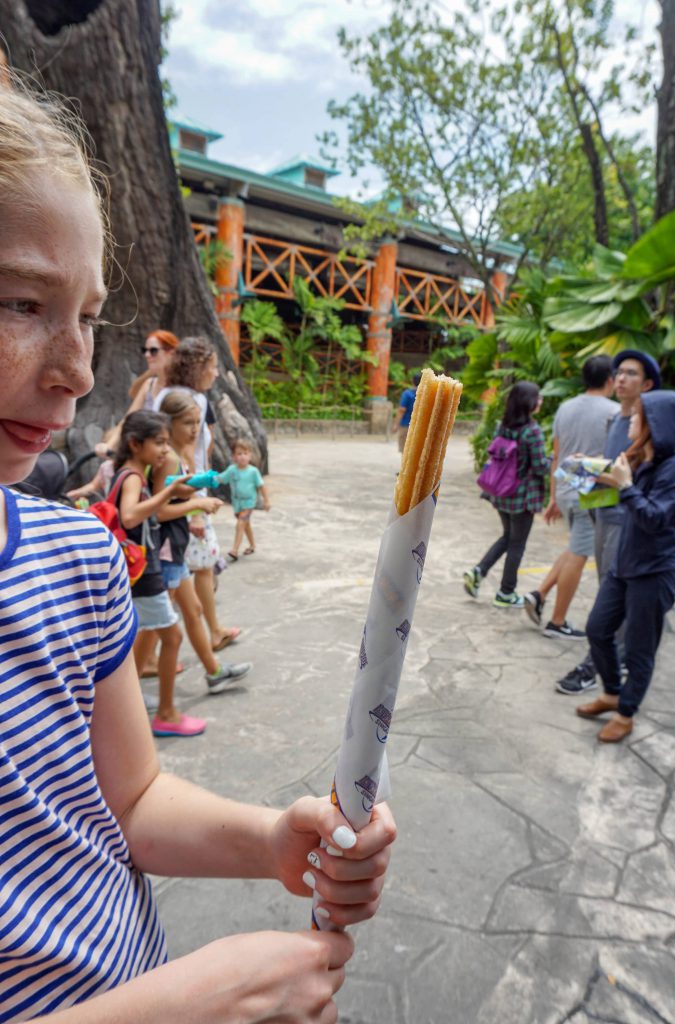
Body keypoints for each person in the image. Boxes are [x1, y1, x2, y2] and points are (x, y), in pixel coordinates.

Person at [0, 73, 394, 1021]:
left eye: (89, 316)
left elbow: (126, 804)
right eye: (20, 304)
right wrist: (189, 1007)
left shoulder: (70, 559)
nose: (77, 372)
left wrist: (270, 839)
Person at [576, 390, 675, 742]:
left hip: (653, 573)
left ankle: (626, 711)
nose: (631, 421)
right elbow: (614, 484)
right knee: (597, 629)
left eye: (638, 416)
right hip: (624, 566)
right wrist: (585, 467)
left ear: (656, 424)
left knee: (639, 649)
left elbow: (654, 518)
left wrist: (625, 485)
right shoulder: (642, 459)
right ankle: (611, 692)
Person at [555, 350, 661, 694]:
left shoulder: (650, 426)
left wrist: (596, 468)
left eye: (630, 373)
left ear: (646, 384)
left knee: (611, 598)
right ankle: (618, 655)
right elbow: (615, 464)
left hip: (625, 519)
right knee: (608, 589)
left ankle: (593, 666)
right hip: (602, 511)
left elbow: (637, 474)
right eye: (618, 372)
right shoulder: (616, 420)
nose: (620, 378)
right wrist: (589, 462)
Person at [112, 410, 207, 737]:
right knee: (172, 635)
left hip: (137, 567)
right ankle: (166, 713)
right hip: (144, 568)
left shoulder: (126, 471)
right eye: (159, 443)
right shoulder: (134, 477)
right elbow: (129, 515)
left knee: (146, 634)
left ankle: (125, 703)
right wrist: (166, 494)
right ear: (135, 444)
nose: (165, 451)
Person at [155, 391, 253, 688]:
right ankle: (138, 689)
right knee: (158, 624)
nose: (195, 429)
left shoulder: (178, 453)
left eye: (198, 422)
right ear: (169, 423)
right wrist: (197, 505)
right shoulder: (169, 457)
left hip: (176, 547)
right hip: (166, 547)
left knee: (189, 612)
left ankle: (214, 672)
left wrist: (199, 486)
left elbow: (175, 492)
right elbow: (160, 509)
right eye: (188, 422)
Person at [155, 336, 241, 652]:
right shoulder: (194, 400)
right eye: (213, 367)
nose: (216, 374)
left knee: (189, 571)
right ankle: (204, 636)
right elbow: (187, 452)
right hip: (189, 495)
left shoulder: (164, 392)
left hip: (177, 492)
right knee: (187, 572)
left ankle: (208, 633)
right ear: (199, 367)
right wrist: (194, 506)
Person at [523, 355, 617, 638]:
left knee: (575, 547)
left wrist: (554, 497)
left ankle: (539, 594)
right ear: (610, 380)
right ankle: (557, 622)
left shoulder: (565, 407)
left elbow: (557, 455)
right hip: (592, 493)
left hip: (565, 487)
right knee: (579, 554)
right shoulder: (615, 412)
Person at [464, 381, 551, 607]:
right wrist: (554, 462)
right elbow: (541, 467)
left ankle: (478, 571)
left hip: (500, 493)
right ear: (529, 402)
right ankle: (506, 593)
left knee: (507, 537)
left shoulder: (502, 426)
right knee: (517, 544)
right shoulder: (532, 430)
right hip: (522, 497)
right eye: (538, 397)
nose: (540, 401)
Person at [95, 328, 179, 457]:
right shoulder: (149, 384)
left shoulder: (180, 389)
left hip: (170, 455)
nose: (147, 355)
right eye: (145, 350)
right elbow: (127, 420)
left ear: (171, 353)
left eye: (153, 351)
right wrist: (109, 445)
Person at [224, 437, 271, 560]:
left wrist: (266, 500)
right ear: (234, 456)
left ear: (250, 455)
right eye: (239, 454)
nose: (243, 456)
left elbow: (261, 485)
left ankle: (235, 550)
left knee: (240, 524)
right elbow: (221, 478)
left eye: (245, 453)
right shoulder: (231, 470)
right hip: (237, 503)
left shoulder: (253, 471)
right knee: (246, 525)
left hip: (249, 502)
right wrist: (209, 479)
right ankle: (252, 545)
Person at [391, 372, 421, 451]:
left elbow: (401, 410)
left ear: (412, 381)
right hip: (419, 425)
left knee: (405, 450)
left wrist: (395, 424)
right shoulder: (423, 394)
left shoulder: (407, 394)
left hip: (406, 424)